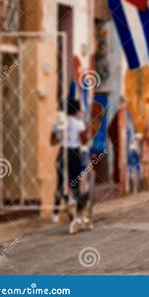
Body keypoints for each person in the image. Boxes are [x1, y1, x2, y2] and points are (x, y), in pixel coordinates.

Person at [65, 99, 89, 233]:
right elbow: (84, 140)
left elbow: (54, 139)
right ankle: (76, 205)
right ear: (77, 110)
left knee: (63, 179)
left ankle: (67, 203)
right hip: (74, 152)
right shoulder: (78, 123)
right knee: (76, 181)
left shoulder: (61, 123)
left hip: (63, 152)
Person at [50, 110, 68, 224]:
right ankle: (57, 211)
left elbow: (52, 141)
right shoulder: (58, 124)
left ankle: (61, 210)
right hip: (67, 152)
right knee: (62, 183)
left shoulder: (76, 121)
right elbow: (52, 141)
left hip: (68, 153)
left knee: (64, 184)